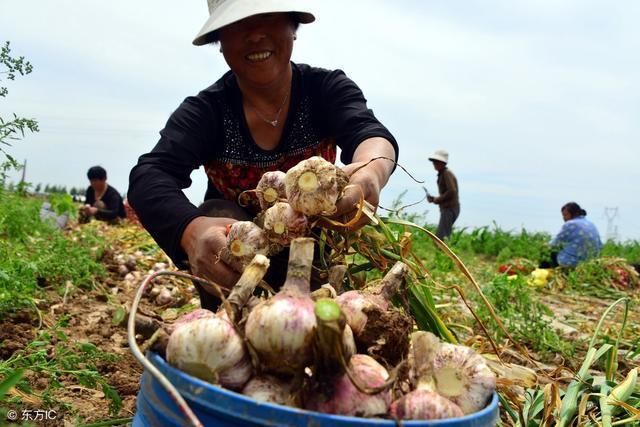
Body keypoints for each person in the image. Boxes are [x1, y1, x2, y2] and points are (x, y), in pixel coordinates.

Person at [128, 1, 398, 310]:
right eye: (237, 23)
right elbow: (150, 175)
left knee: (317, 317)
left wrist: (370, 172)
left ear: (292, 27)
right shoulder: (206, 111)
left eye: (266, 16)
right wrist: (190, 232)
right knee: (219, 211)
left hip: (312, 244)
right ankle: (227, 321)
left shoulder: (325, 89)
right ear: (220, 42)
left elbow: (369, 133)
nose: (255, 34)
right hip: (236, 252)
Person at [541, 202, 602, 268]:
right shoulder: (591, 224)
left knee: (549, 253)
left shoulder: (570, 224)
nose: (563, 218)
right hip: (590, 262)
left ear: (573, 214)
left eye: (565, 215)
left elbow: (554, 243)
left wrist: (545, 245)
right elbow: (600, 245)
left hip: (573, 262)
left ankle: (544, 273)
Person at [426, 149, 459, 240]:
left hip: (450, 209)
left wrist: (437, 200)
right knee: (443, 236)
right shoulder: (442, 174)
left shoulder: (446, 173)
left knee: (441, 237)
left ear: (442, 163)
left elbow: (452, 191)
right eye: (434, 162)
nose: (434, 164)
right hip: (447, 208)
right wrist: (434, 199)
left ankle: (444, 254)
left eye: (436, 162)